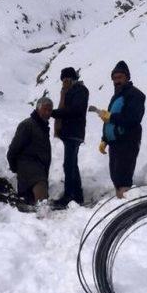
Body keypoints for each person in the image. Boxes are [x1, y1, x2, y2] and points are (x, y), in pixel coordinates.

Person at [98, 60, 145, 198]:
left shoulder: (135, 95)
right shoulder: (117, 96)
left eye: (120, 77)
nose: (117, 81)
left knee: (123, 176)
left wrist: (111, 117)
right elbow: (109, 121)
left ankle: (126, 206)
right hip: (115, 143)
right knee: (116, 176)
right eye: (114, 78)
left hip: (128, 141)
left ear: (127, 77)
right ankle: (121, 202)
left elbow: (132, 119)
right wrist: (105, 139)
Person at [50, 67, 89, 207]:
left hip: (74, 132)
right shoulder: (69, 91)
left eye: (67, 79)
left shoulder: (79, 90)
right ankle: (77, 196)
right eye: (63, 80)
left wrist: (55, 113)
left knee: (69, 165)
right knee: (72, 164)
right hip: (70, 133)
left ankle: (69, 196)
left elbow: (75, 110)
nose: (64, 82)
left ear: (73, 78)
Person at [7, 97, 53, 205]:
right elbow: (13, 149)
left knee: (28, 204)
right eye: (45, 109)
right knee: (42, 202)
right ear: (38, 109)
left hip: (38, 170)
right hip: (29, 169)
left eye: (50, 110)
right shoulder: (27, 125)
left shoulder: (42, 126)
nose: (47, 113)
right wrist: (14, 166)